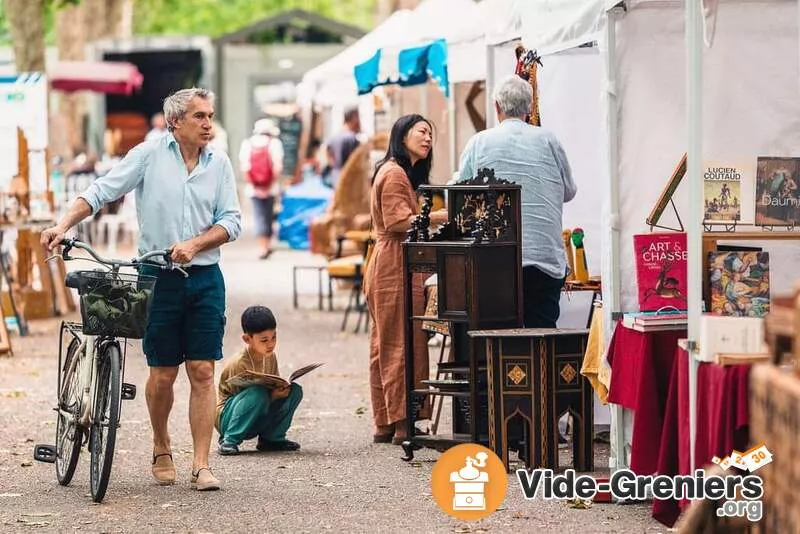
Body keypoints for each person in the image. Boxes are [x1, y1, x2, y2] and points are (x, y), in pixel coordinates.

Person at [41, 87, 242, 492]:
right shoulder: (149, 155)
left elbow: (232, 221)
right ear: (175, 123)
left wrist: (195, 244)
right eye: (199, 116)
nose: (208, 124)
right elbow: (100, 191)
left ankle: (201, 464)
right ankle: (161, 444)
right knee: (163, 374)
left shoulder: (219, 163)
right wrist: (63, 226)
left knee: (203, 371)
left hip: (205, 278)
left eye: (210, 116)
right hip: (157, 277)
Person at [458, 75, 577, 328]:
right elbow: (568, 191)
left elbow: (461, 192)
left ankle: (501, 368)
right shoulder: (549, 140)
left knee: (497, 335)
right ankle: (542, 368)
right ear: (530, 108)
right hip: (544, 258)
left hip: (494, 258)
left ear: (497, 107)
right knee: (542, 332)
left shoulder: (479, 142)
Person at [364, 114, 448, 445]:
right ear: (402, 137)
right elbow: (398, 222)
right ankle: (403, 422)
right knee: (402, 343)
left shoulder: (394, 171)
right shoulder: (395, 173)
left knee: (384, 344)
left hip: (388, 264)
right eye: (422, 132)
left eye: (431, 133)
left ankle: (386, 421)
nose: (428, 138)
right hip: (393, 265)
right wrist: (438, 216)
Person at [216, 306, 303, 455]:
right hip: (231, 419)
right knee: (258, 393)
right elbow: (242, 401)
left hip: (260, 412)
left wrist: (280, 391)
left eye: (274, 337)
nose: (270, 344)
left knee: (295, 390)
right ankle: (228, 441)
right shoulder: (239, 362)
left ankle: (271, 439)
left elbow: (273, 384)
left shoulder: (270, 356)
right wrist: (270, 396)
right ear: (247, 339)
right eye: (264, 340)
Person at [239, 118, 284, 259]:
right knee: (268, 216)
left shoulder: (247, 144)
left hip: (253, 189)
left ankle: (262, 246)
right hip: (271, 188)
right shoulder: (275, 143)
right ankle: (266, 246)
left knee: (259, 216)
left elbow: (244, 168)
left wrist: (255, 186)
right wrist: (269, 186)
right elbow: (278, 167)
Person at [326, 108, 361, 187]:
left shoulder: (334, 136)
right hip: (348, 180)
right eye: (358, 117)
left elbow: (327, 152)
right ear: (353, 118)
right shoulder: (352, 138)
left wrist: (334, 165)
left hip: (335, 177)